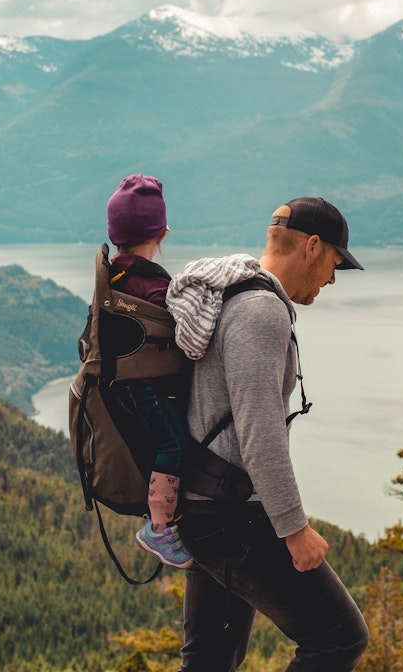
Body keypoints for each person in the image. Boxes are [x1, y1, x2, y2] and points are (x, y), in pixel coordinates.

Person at [165, 196, 370, 671]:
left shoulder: (230, 294)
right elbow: (260, 433)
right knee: (339, 637)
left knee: (209, 660)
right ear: (312, 247)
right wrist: (294, 530)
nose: (332, 279)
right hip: (233, 516)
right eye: (335, 263)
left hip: (203, 508)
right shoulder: (261, 311)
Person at [104, 173, 193, 569]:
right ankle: (159, 528)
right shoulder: (151, 283)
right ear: (161, 233)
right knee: (174, 447)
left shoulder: (115, 275)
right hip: (149, 387)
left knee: (162, 446)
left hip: (125, 385)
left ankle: (161, 514)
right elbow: (180, 327)